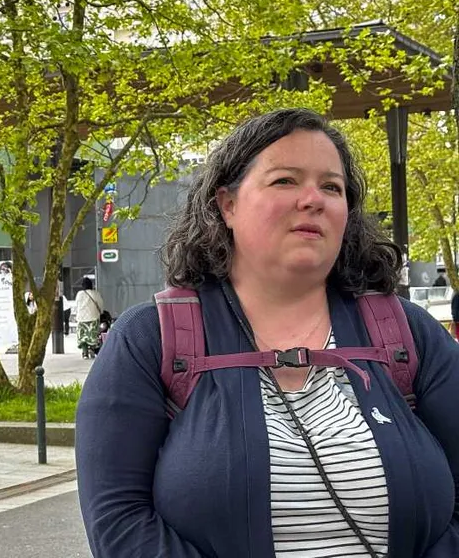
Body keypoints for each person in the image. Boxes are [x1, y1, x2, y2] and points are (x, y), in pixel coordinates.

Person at [76, 109, 459, 557]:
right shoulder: (149, 340)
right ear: (228, 204)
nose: (313, 199)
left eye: (332, 187)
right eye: (285, 181)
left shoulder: (408, 333)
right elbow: (120, 522)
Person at [74, 277, 105, 359]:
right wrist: (101, 312)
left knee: (83, 336)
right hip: (93, 317)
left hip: (81, 318)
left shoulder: (79, 294)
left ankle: (85, 353)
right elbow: (101, 304)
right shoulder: (95, 293)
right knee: (92, 335)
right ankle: (91, 349)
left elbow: (76, 305)